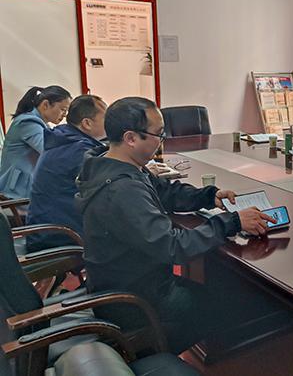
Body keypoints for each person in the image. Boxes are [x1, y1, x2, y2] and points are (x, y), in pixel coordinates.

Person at [75, 96, 275, 353]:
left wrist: (209, 196)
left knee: (221, 288)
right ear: (131, 138)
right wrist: (232, 222)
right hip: (136, 300)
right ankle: (153, 351)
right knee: (230, 302)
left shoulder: (111, 162)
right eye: (159, 134)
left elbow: (165, 191)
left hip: (129, 281)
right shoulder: (123, 190)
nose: (163, 140)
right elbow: (173, 246)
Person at [25, 95, 107, 252]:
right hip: (61, 235)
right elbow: (110, 182)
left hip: (46, 229)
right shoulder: (79, 150)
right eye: (106, 118)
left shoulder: (64, 139)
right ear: (87, 123)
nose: (111, 123)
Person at [0, 85, 72, 199]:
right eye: (63, 109)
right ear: (45, 104)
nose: (65, 114)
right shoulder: (28, 122)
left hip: (25, 187)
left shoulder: (40, 124)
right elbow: (49, 150)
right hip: (17, 191)